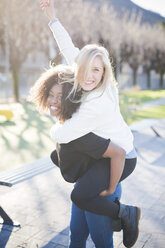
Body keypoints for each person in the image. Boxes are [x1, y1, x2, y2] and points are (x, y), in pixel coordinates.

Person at [39, 2, 141, 247]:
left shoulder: (96, 105)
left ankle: (125, 213)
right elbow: (68, 47)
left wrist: (52, 128)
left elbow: (63, 134)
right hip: (102, 154)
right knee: (77, 231)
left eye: (97, 70)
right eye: (85, 68)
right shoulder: (86, 74)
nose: (89, 75)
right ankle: (113, 211)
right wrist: (52, 18)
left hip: (122, 158)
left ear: (104, 73)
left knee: (80, 195)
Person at [29, 66, 122, 248]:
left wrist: (111, 189)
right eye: (51, 94)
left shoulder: (79, 132)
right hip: (83, 187)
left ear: (71, 99)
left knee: (102, 242)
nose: (54, 100)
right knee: (76, 238)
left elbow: (118, 153)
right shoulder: (67, 125)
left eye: (61, 96)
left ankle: (125, 213)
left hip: (99, 192)